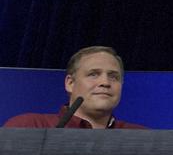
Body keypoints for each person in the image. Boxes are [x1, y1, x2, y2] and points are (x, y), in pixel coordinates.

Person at [4, 46, 144, 129]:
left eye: (113, 76)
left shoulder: (140, 138)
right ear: (70, 83)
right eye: (93, 74)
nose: (105, 82)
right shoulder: (30, 126)